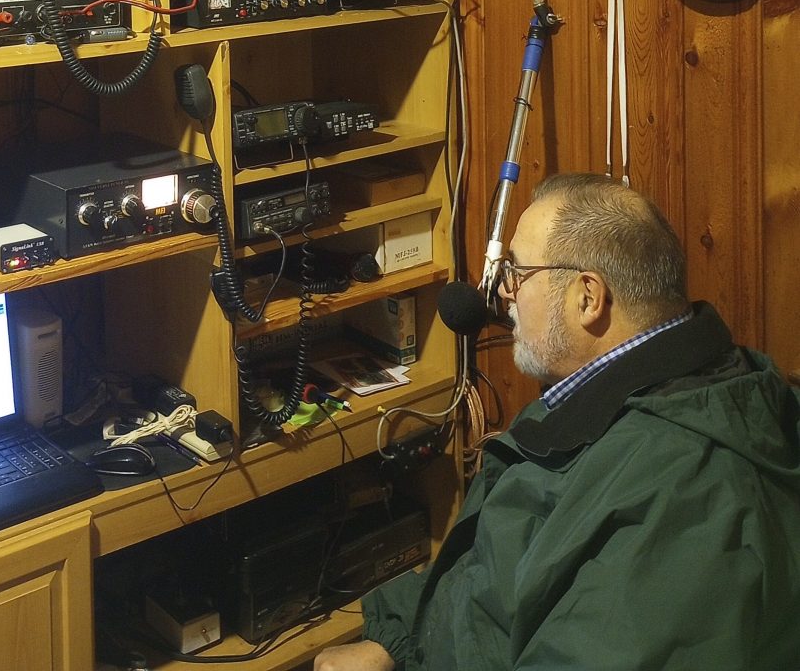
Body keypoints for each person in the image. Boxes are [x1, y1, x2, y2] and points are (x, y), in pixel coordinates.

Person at [315, 172, 800, 671]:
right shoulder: (616, 390)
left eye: (517, 274)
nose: (502, 294)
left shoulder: (687, 499)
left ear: (588, 298)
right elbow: (500, 570)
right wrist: (396, 642)